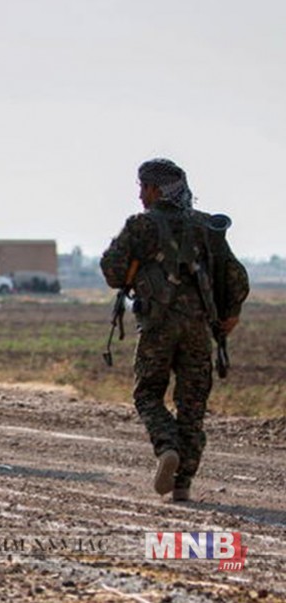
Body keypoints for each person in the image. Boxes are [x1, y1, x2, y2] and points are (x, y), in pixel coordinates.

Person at [100, 158, 249, 502]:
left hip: (157, 325)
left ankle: (167, 447)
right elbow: (236, 278)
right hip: (199, 328)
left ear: (156, 190)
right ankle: (183, 483)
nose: (140, 195)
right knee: (192, 405)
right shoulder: (206, 227)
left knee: (147, 394)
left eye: (144, 187)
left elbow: (112, 271)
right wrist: (231, 315)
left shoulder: (141, 225)